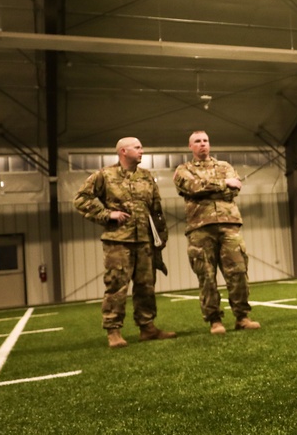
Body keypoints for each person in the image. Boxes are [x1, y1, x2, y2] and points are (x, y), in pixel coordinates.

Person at [73, 137, 176, 348]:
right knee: (117, 286)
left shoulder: (147, 177)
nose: (142, 150)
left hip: (145, 240)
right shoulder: (105, 175)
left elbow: (156, 211)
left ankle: (147, 327)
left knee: (146, 286)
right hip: (118, 241)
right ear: (123, 151)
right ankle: (113, 331)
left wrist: (161, 238)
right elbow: (81, 199)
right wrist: (106, 214)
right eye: (137, 147)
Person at [173, 131, 260, 333]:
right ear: (190, 146)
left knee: (238, 271)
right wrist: (222, 184)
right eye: (197, 141)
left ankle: (242, 317)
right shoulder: (182, 169)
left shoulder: (225, 166)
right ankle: (215, 320)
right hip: (200, 229)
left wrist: (210, 188)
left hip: (229, 225)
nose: (202, 144)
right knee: (207, 276)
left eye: (205, 141)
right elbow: (192, 187)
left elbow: (235, 188)